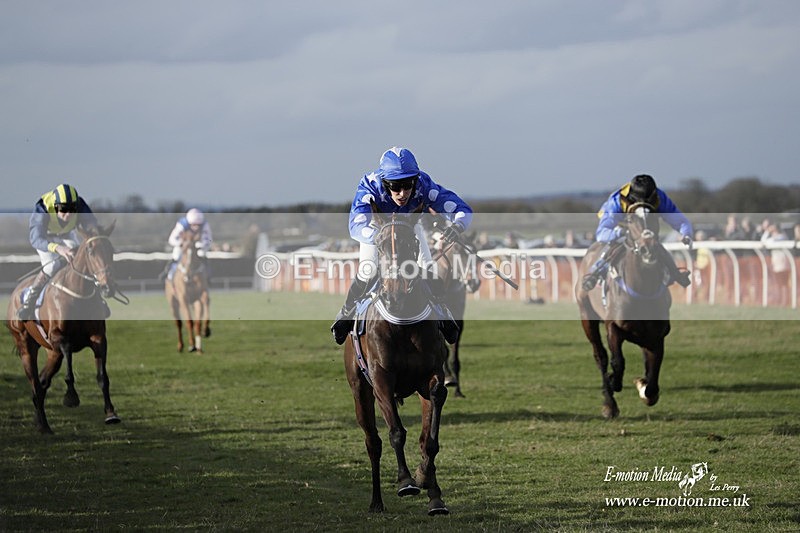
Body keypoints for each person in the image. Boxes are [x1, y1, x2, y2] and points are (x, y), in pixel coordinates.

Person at [330, 146, 473, 345]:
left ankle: (443, 312)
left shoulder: (424, 183)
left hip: (408, 227)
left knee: (429, 268)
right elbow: (356, 225)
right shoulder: (369, 185)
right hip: (377, 230)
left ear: (415, 180)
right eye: (395, 187)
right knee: (368, 269)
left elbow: (461, 208)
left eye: (408, 185)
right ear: (384, 182)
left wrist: (457, 226)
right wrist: (382, 236)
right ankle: (345, 314)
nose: (403, 193)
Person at [581, 174, 693, 291]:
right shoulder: (617, 201)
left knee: (654, 244)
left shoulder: (660, 197)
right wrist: (621, 232)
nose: (644, 204)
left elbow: (680, 220)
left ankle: (675, 273)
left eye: (648, 201)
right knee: (613, 245)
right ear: (632, 197)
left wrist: (686, 234)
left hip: (645, 224)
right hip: (620, 224)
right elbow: (602, 234)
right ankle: (595, 272)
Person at [17, 184, 99, 320]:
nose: (69, 214)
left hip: (67, 234)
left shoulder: (80, 204)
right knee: (52, 266)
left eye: (72, 209)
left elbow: (91, 224)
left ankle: (98, 299)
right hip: (46, 238)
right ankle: (29, 303)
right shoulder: (42, 208)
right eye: (64, 210)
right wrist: (58, 249)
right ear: (55, 206)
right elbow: (35, 239)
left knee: (84, 260)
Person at [161, 208, 213, 280]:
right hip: (183, 246)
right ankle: (168, 273)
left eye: (198, 225)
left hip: (198, 246)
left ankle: (208, 276)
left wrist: (201, 244)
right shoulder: (181, 225)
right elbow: (171, 239)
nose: (196, 227)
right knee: (176, 255)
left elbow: (209, 240)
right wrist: (181, 243)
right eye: (194, 225)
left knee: (202, 254)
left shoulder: (205, 225)